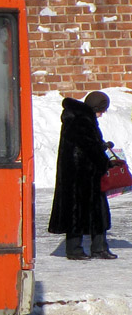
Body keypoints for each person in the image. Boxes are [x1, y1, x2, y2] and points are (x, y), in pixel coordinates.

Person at [49, 91, 117, 259]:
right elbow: (89, 146)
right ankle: (95, 248)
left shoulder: (75, 117)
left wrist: (101, 145)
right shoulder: (84, 119)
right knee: (94, 210)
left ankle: (78, 248)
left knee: (76, 211)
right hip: (84, 172)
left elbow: (84, 143)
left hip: (74, 172)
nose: (102, 114)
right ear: (96, 107)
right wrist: (106, 162)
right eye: (102, 110)